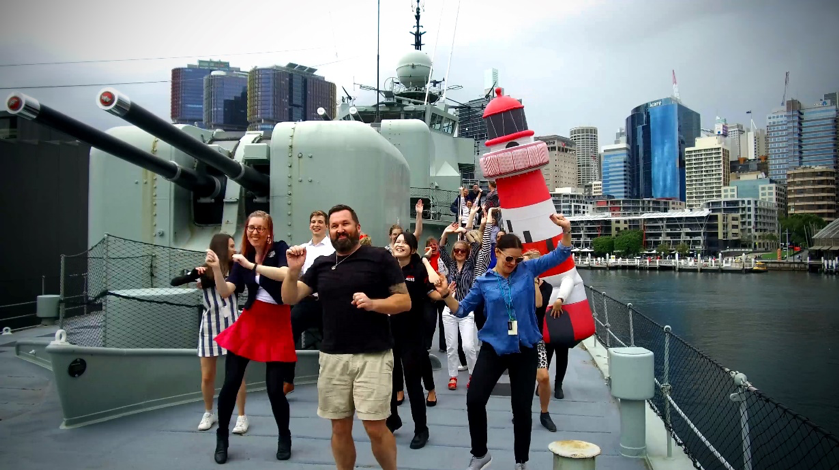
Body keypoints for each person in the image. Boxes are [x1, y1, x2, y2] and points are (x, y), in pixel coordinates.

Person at [435, 213, 573, 470]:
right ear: (497, 253)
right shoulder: (484, 281)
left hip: (525, 349)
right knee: (475, 400)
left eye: (517, 259)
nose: (513, 263)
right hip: (494, 349)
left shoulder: (527, 269)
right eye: (508, 258)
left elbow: (561, 254)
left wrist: (565, 230)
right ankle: (480, 454)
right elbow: (462, 309)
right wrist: (445, 296)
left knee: (521, 410)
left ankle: (521, 461)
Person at [281, 204, 411, 470]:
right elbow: (289, 297)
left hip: (372, 355)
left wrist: (374, 303)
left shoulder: (379, 258)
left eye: (345, 224)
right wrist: (293, 271)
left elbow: (404, 301)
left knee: (375, 427)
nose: (340, 230)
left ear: (357, 228)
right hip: (333, 357)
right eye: (335, 226)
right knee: (339, 428)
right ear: (329, 232)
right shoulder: (321, 264)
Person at [208, 211, 297, 464]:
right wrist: (217, 270)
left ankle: (284, 436)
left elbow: (286, 274)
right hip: (251, 321)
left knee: (274, 390)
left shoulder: (280, 249)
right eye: (250, 227)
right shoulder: (242, 257)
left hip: (277, 323)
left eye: (260, 228)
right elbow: (226, 291)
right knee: (231, 383)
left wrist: (253, 267)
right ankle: (222, 437)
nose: (254, 232)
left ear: (269, 231)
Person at [169, 234, 247, 434]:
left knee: (236, 375)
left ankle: (241, 416)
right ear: (221, 248)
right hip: (209, 324)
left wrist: (210, 277)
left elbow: (231, 290)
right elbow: (174, 281)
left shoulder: (237, 268)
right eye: (230, 246)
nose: (234, 249)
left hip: (231, 323)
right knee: (207, 376)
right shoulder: (204, 270)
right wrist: (195, 274)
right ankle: (209, 412)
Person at [387, 232, 441, 449]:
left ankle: (421, 429)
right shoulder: (387, 268)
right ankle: (393, 419)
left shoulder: (418, 269)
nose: (399, 245)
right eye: (396, 242)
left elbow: (432, 292)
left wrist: (445, 293)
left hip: (412, 334)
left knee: (412, 383)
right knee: (390, 381)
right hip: (389, 333)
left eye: (404, 243)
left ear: (412, 248)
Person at [437, 201, 488, 390]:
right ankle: (453, 376)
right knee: (451, 348)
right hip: (449, 310)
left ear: (466, 253)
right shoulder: (450, 265)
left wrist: (466, 231)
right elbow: (441, 250)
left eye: (462, 251)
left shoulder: (471, 263)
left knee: (468, 346)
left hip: (466, 310)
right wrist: (445, 233)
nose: (459, 253)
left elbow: (477, 246)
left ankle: (473, 375)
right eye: (457, 250)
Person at [523, 249, 561, 432]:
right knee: (520, 379)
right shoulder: (518, 283)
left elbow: (539, 304)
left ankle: (544, 413)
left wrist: (534, 282)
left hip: (536, 337)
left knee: (543, 377)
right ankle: (520, 412)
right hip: (519, 336)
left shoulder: (546, 288)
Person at [290, 210, 335, 353]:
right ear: (309, 226)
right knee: (289, 333)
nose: (316, 225)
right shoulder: (302, 249)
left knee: (331, 341)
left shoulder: (333, 248)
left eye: (320, 222)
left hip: (327, 302)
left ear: (326, 226)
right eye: (313, 222)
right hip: (306, 300)